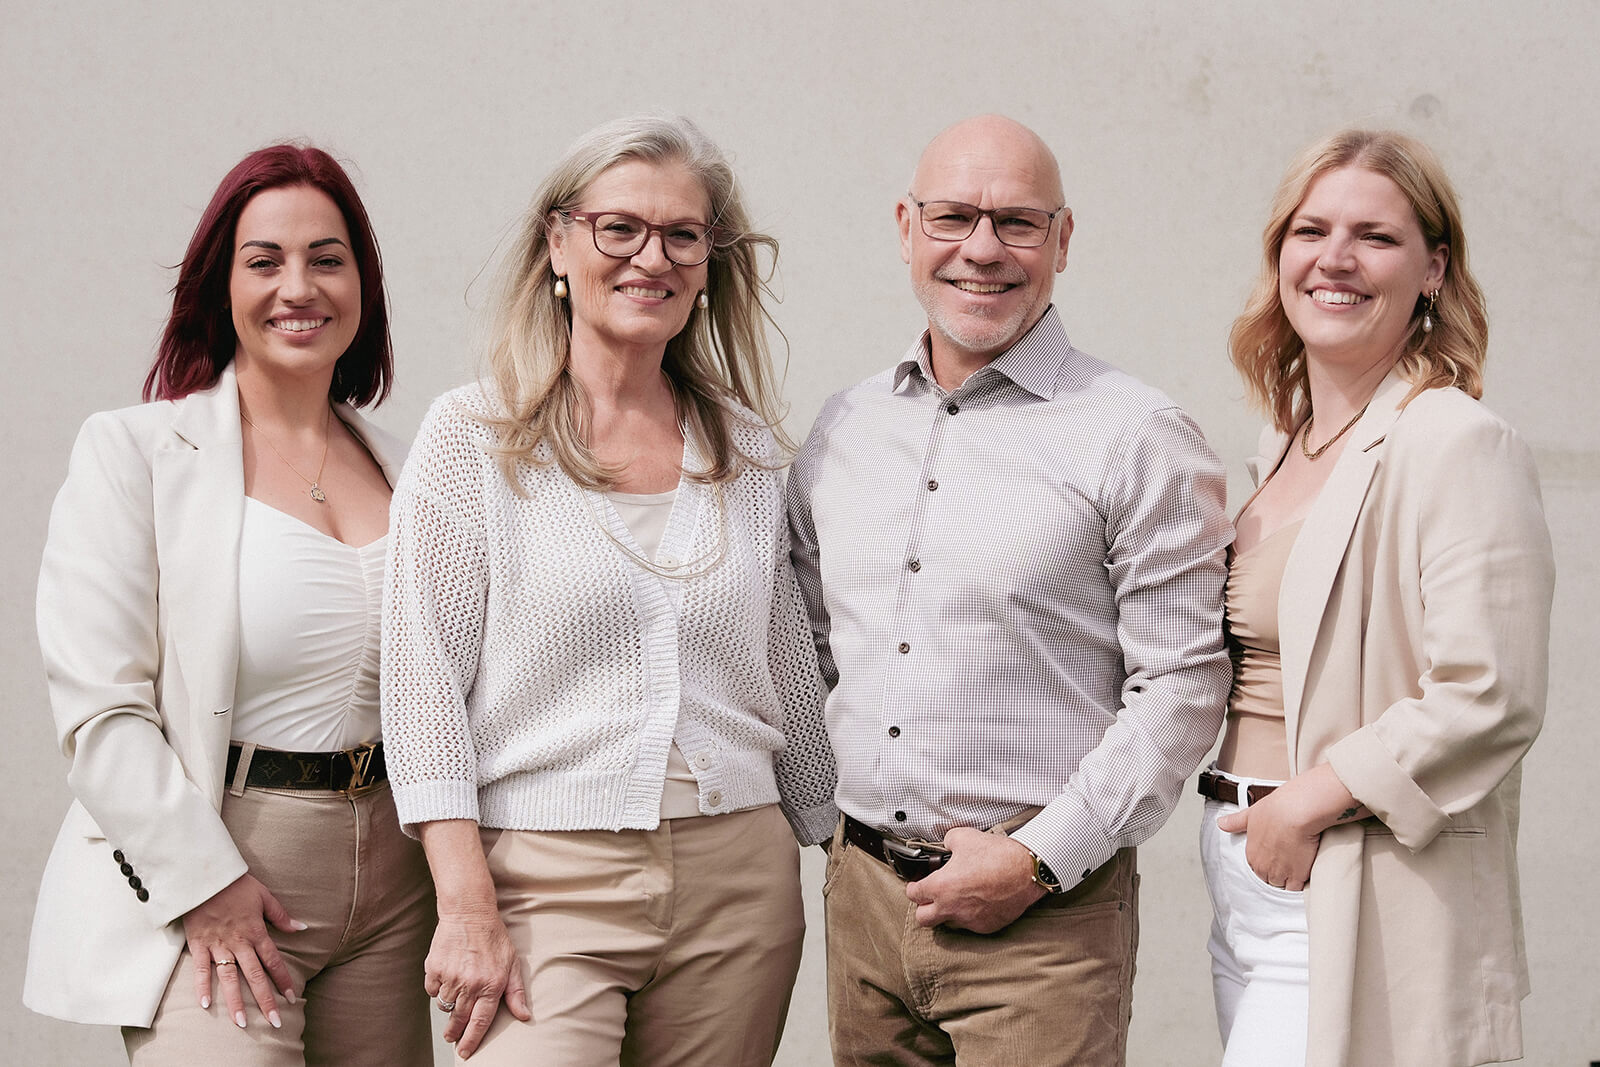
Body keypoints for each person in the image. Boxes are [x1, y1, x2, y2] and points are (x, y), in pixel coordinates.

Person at [382, 114, 837, 1065]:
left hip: (738, 884)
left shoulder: (750, 450)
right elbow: (422, 683)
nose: (651, 257)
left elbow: (790, 674)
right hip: (542, 881)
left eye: (682, 235)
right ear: (558, 242)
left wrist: (851, 850)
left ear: (708, 262)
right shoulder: (475, 438)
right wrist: (464, 905)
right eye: (619, 228)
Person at [786, 114, 1231, 1066]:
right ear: (906, 227)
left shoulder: (1137, 434)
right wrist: (833, 830)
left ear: (1062, 240)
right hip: (863, 909)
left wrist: (1037, 859)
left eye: (1017, 222)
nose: (982, 250)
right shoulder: (845, 426)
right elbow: (811, 641)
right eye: (953, 217)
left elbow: (1184, 685)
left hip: (1044, 926)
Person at [24, 145, 435, 1065]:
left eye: (327, 259)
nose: (299, 287)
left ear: (362, 284)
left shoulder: (414, 469)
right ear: (222, 285)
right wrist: (203, 884)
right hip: (220, 867)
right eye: (265, 261)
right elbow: (100, 708)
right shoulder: (134, 452)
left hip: (396, 888)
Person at [1200, 128, 1555, 1067]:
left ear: (1433, 268)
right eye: (1311, 230)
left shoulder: (1455, 440)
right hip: (1243, 866)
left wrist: (1304, 804)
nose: (1336, 258)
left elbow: (1490, 690)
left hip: (1351, 864)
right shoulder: (1284, 445)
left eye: (1376, 236)